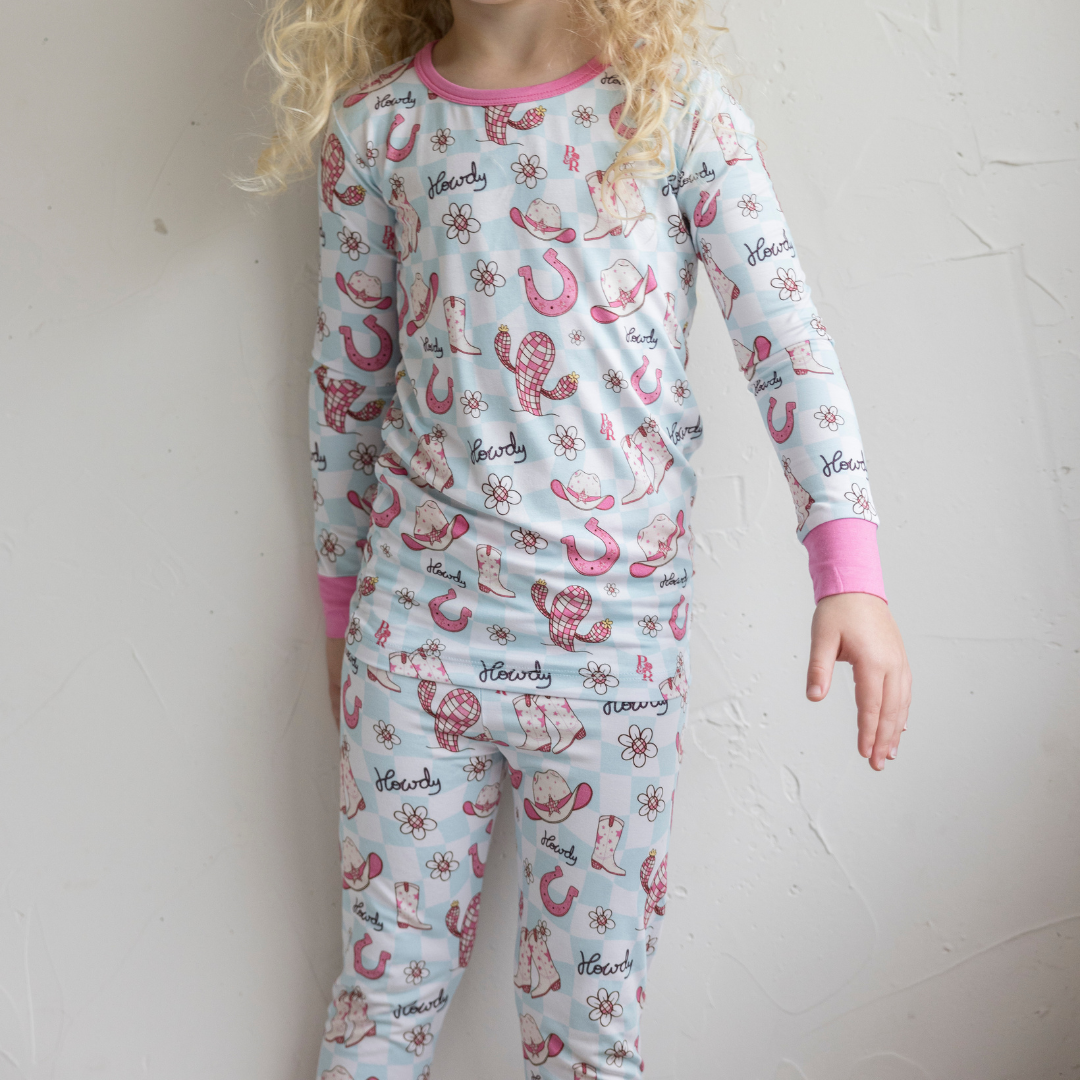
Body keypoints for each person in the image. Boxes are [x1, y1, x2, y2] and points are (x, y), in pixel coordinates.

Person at [237, 0, 912, 1076]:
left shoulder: (672, 112)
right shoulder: (380, 130)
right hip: (411, 651)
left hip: (613, 661)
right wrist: (338, 611)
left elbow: (786, 341)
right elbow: (346, 395)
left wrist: (850, 571)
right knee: (383, 1003)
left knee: (588, 1036)